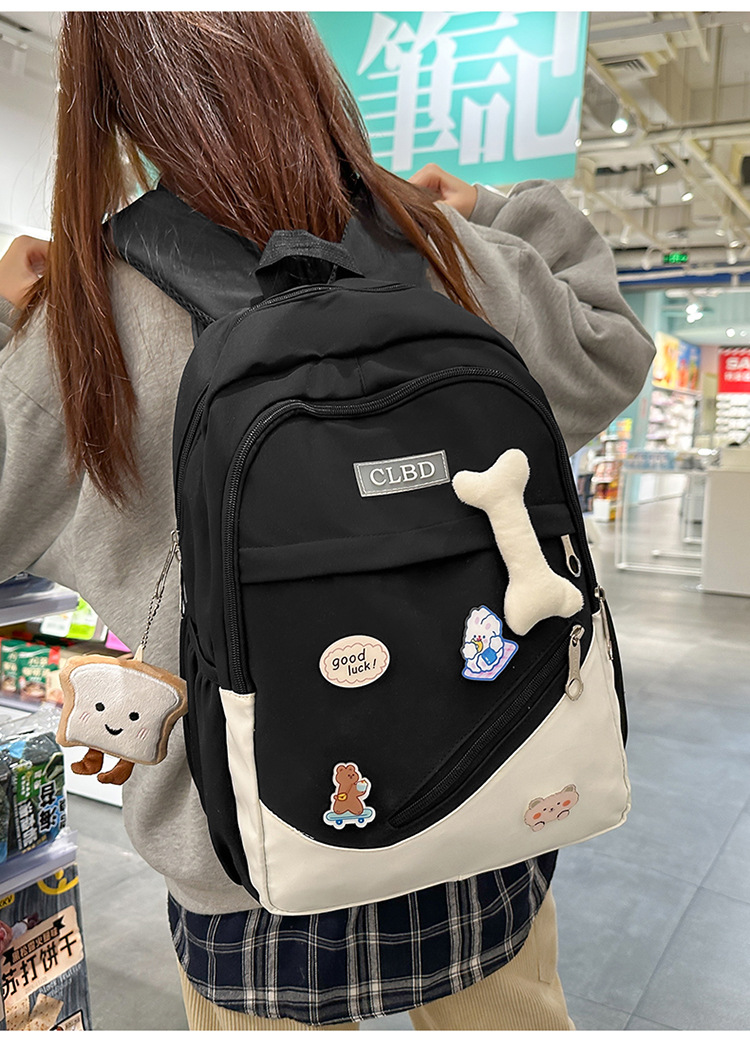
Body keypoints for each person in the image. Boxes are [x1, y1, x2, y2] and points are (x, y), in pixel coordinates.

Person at [0, 12, 654, 1032]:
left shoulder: (87, 319)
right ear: (304, 64)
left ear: (114, 97)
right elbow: (610, 347)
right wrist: (498, 209)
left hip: (247, 849)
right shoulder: (447, 251)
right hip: (490, 789)